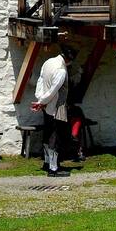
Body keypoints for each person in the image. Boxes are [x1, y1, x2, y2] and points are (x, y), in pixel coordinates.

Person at [31, 43, 76, 177]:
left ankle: (47, 162)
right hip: (57, 107)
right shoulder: (61, 70)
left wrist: (40, 98)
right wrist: (42, 101)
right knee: (56, 137)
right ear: (68, 59)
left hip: (46, 106)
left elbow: (40, 81)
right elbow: (53, 91)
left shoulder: (48, 62)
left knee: (48, 133)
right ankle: (53, 168)